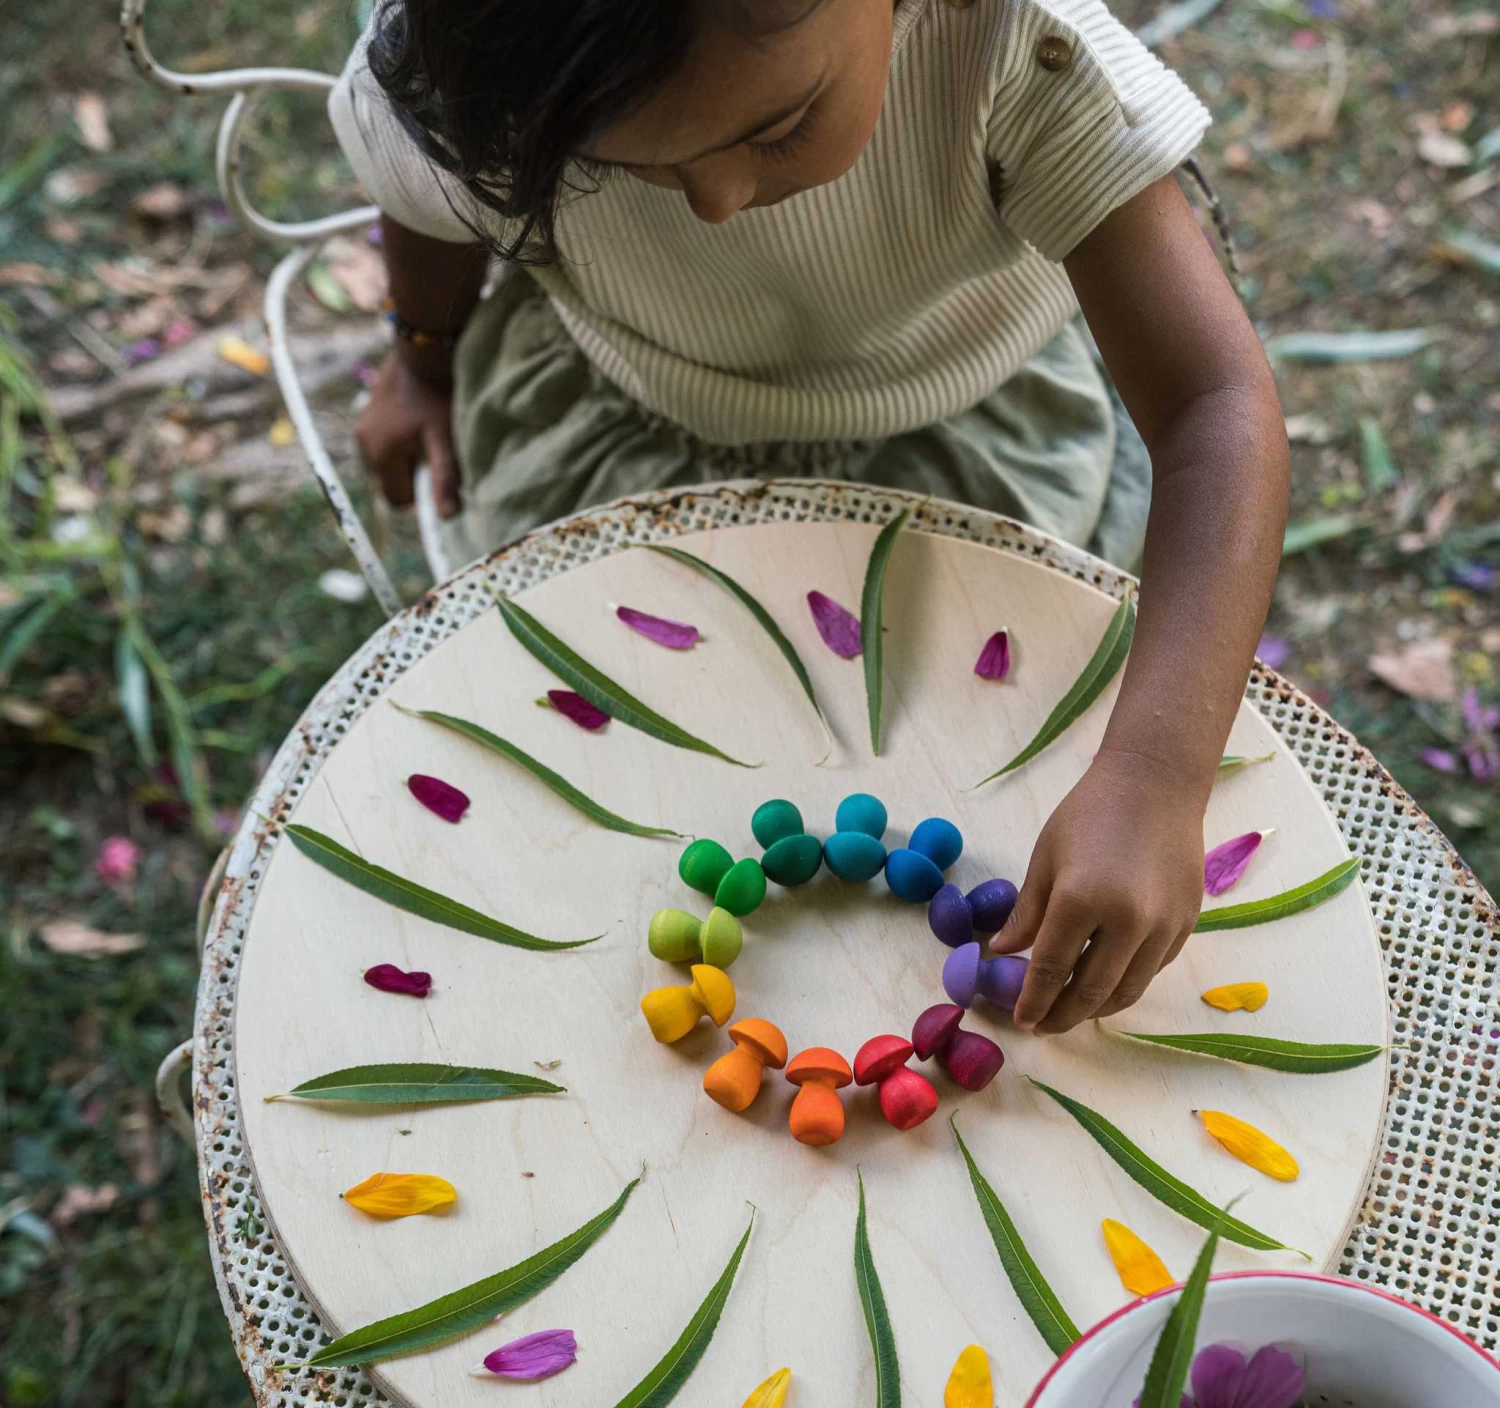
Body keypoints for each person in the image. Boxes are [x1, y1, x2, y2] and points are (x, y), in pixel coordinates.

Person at [330, 0, 1289, 1036]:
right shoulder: (489, 46)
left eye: (776, 128)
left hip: (955, 451)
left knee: (955, 757)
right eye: (634, 165)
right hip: (631, 443)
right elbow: (428, 188)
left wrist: (1154, 775)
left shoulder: (1013, 46)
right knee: (625, 803)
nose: (718, 199)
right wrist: (422, 356)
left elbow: (1215, 408)